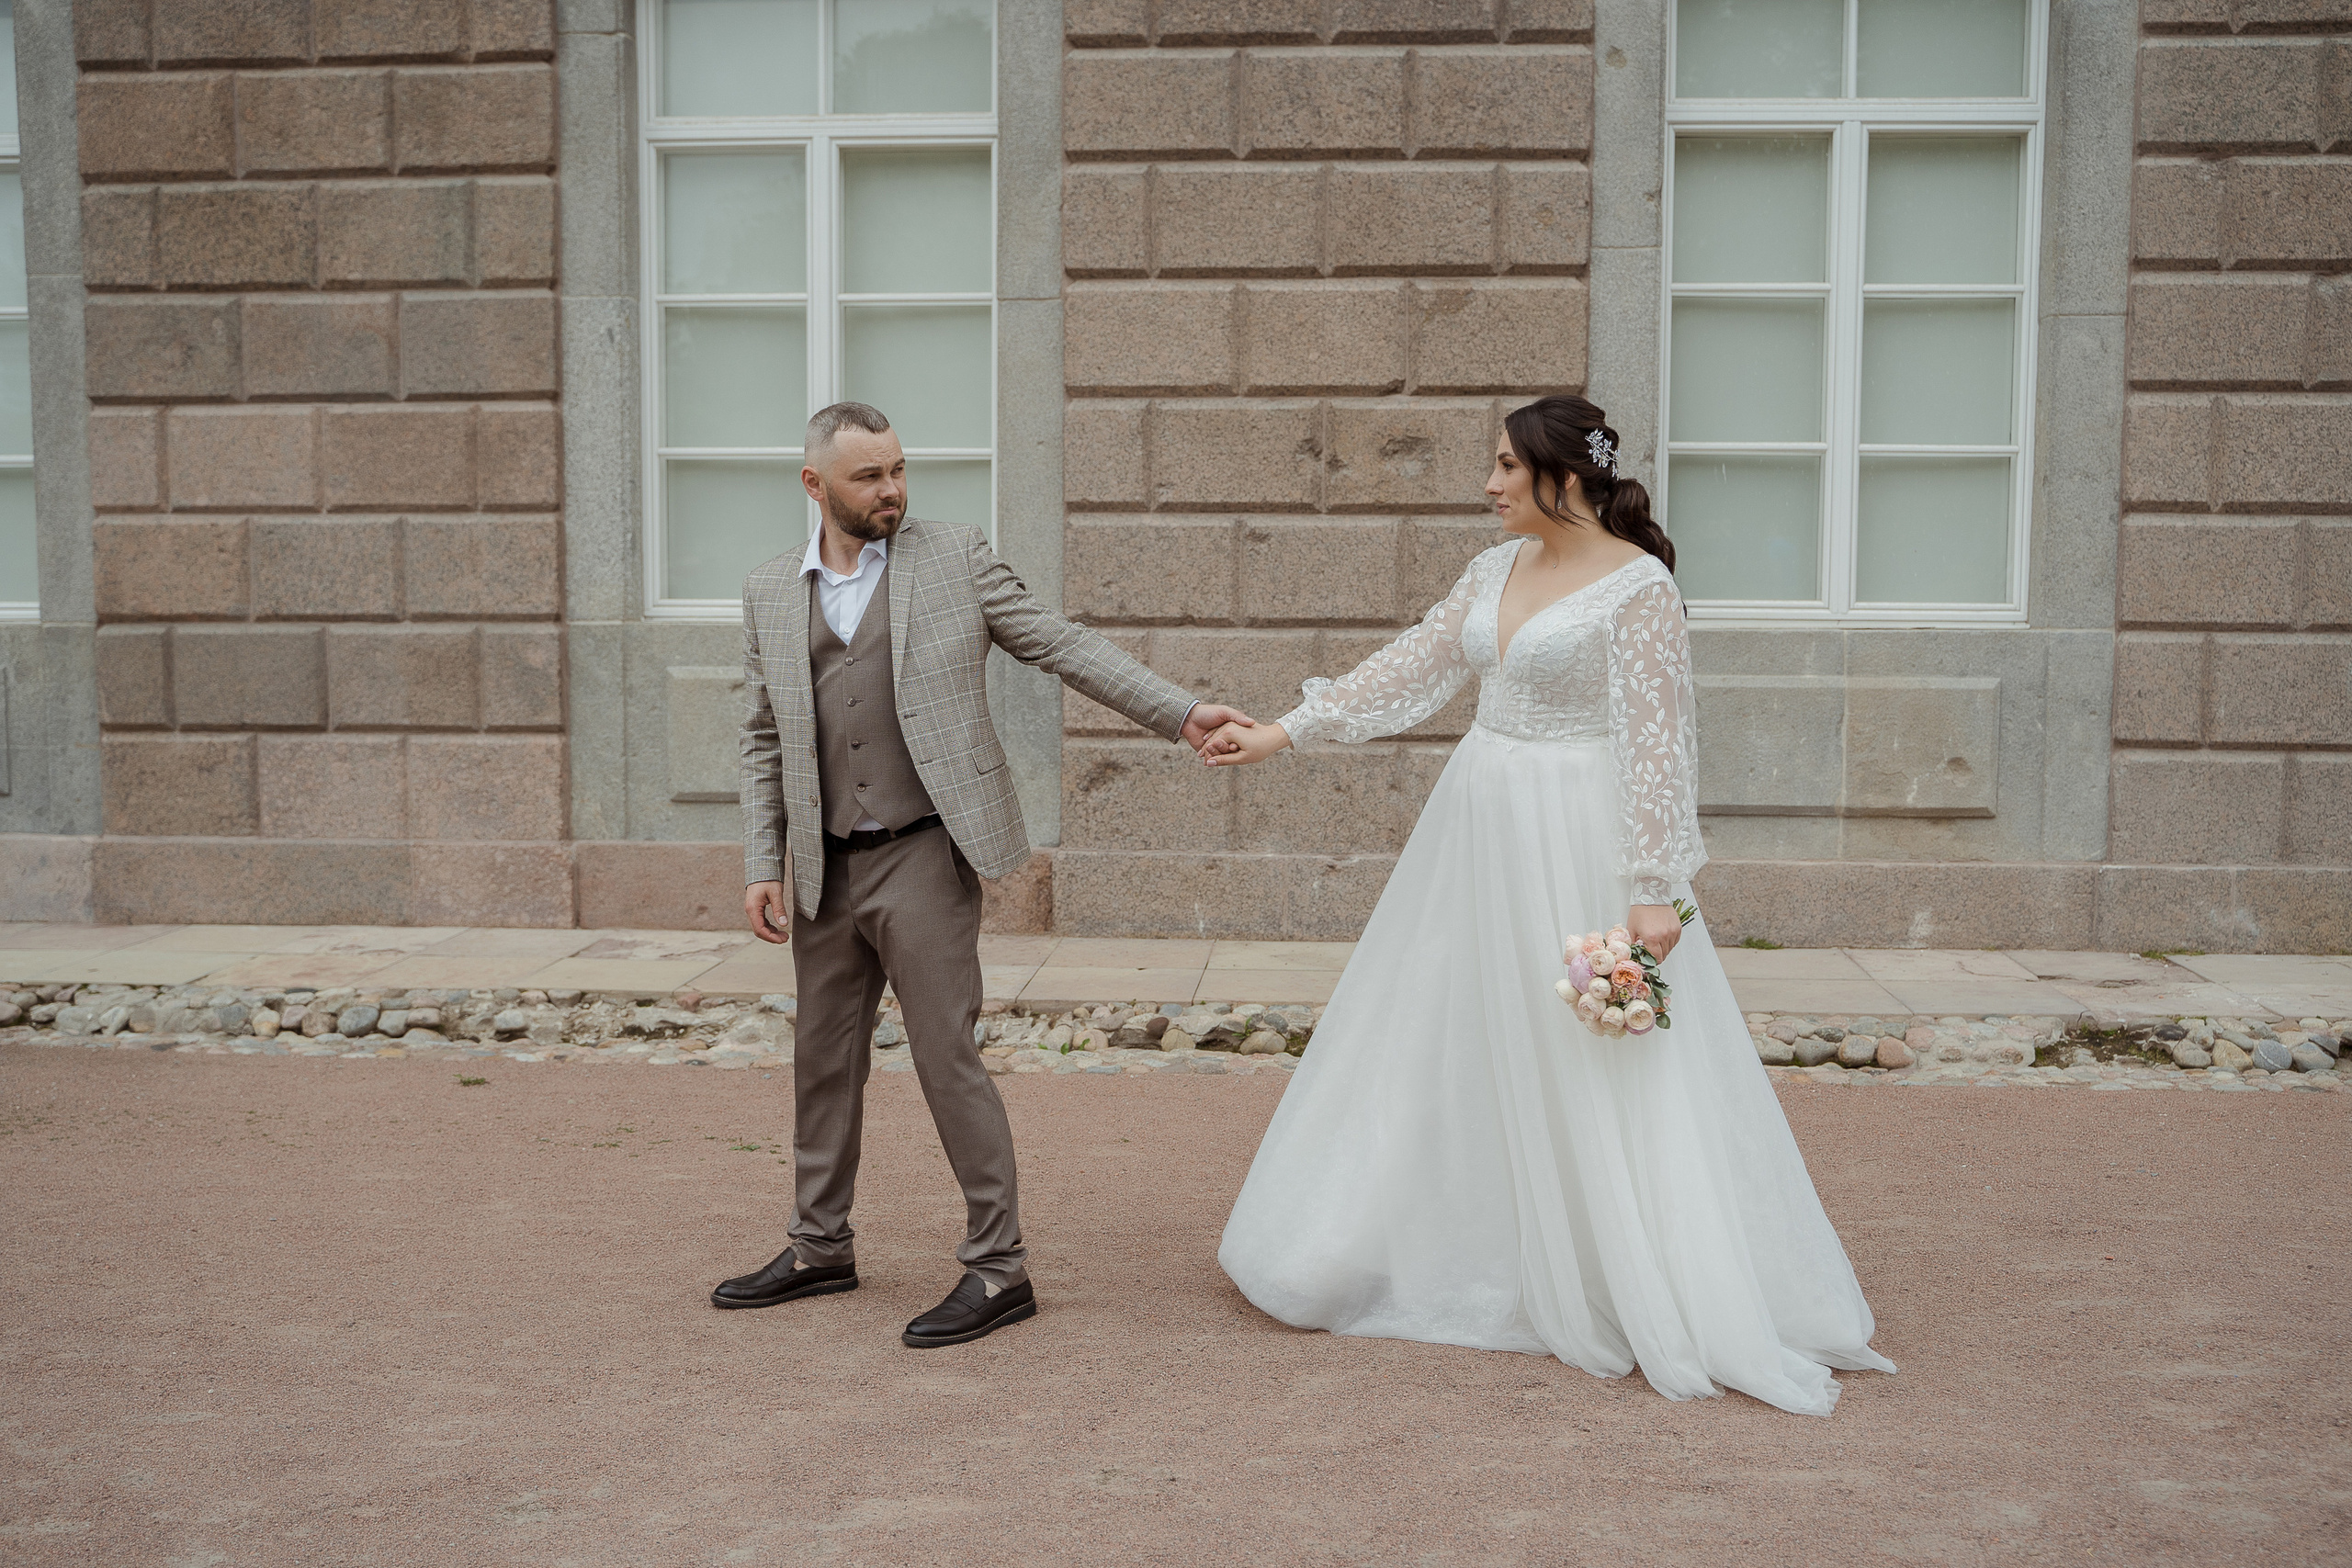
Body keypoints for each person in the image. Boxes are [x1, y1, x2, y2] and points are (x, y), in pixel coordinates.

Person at [1200, 395, 1895, 1415]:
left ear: (1560, 476)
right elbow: (1419, 664)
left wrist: (1655, 889)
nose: (1486, 486)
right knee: (1455, 1023)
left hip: (1580, 833)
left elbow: (1660, 740)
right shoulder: (1493, 570)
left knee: (1597, 1054)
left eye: (1501, 467)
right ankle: (1460, 1250)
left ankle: (1623, 1267)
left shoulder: (1639, 588)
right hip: (1479, 822)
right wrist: (1286, 731)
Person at [718, 401, 1254, 1348]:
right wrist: (765, 860)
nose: (890, 490)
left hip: (923, 852)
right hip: (822, 871)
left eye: (896, 469)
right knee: (820, 1064)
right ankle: (817, 1248)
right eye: (866, 477)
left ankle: (998, 1270)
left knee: (945, 1058)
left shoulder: (954, 556)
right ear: (815, 487)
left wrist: (1179, 714)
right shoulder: (769, 590)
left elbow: (1060, 642)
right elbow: (763, 737)